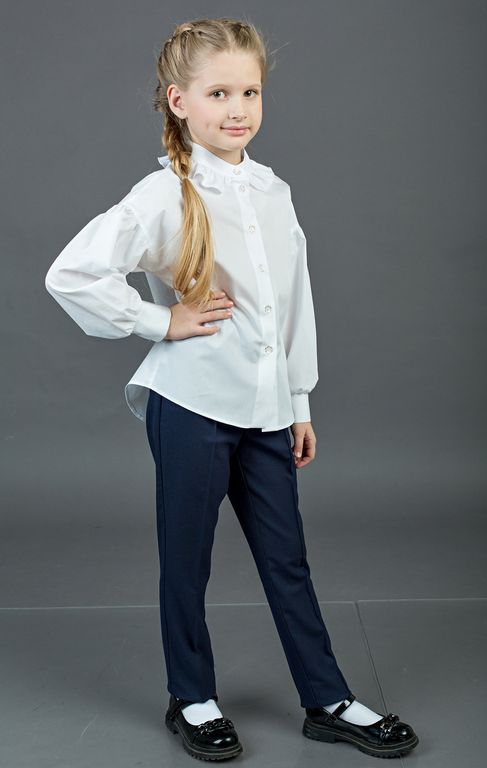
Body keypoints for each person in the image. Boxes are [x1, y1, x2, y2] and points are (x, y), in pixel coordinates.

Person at [45, 16, 419, 763]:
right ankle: (191, 697)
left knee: (288, 559)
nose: (238, 108)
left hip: (267, 409)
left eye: (250, 91)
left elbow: (293, 301)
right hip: (191, 406)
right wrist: (160, 320)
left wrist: (299, 400)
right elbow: (71, 273)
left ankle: (326, 699)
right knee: (187, 559)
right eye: (219, 93)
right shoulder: (163, 194)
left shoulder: (274, 192)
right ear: (179, 101)